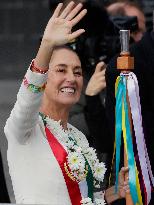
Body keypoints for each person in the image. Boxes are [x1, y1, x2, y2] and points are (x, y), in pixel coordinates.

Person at [4, 2, 129, 204]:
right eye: (61, 70)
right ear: (44, 77)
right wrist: (46, 45)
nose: (71, 78)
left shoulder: (77, 136)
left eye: (77, 72)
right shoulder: (26, 129)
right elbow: (27, 98)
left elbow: (84, 198)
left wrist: (113, 193)